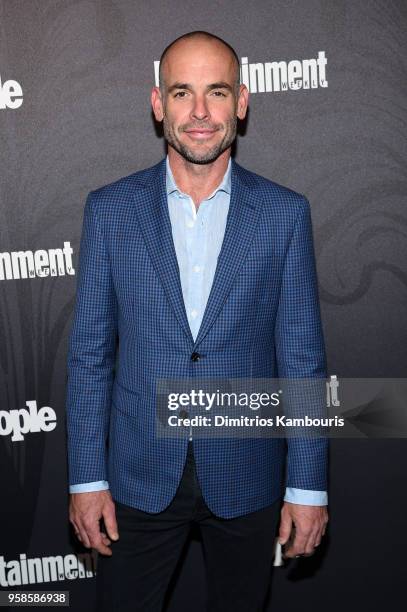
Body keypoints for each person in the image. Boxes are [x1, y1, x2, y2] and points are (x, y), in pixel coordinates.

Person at [66, 30, 329, 612]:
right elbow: (89, 356)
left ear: (242, 101)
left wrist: (307, 485)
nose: (201, 112)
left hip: (247, 474)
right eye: (182, 93)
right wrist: (87, 479)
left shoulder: (284, 214)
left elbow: (303, 361)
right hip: (136, 476)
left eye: (217, 92)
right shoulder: (110, 211)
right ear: (158, 105)